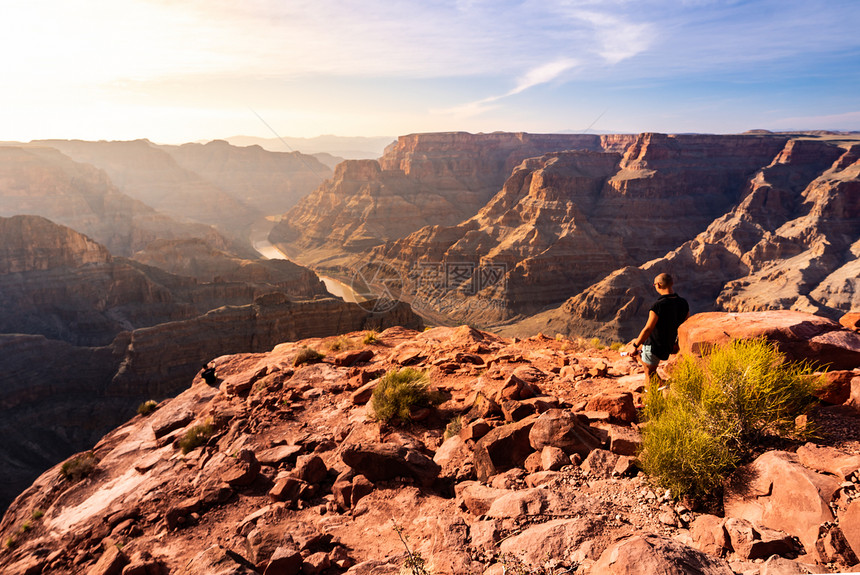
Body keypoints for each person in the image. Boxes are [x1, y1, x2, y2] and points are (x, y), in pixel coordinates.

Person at [629, 273, 689, 382]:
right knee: (651, 371)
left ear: (658, 285)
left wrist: (635, 345)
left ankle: (657, 395)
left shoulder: (658, 305)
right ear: (672, 283)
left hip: (653, 346)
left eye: (655, 285)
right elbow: (684, 326)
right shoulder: (684, 303)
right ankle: (662, 389)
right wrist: (677, 343)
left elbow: (648, 328)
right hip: (669, 344)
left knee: (649, 374)